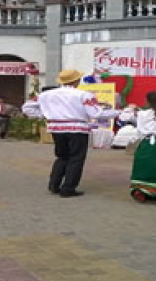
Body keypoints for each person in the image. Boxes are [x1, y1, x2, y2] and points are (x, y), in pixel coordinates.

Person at [38, 69, 120, 198]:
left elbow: (28, 107)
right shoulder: (84, 95)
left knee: (62, 156)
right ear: (77, 80)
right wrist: (117, 113)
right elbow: (96, 113)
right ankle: (68, 188)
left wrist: (46, 115)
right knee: (76, 158)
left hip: (56, 128)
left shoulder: (46, 95)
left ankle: (54, 185)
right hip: (77, 128)